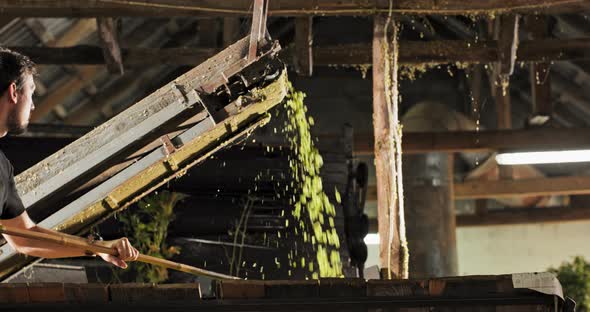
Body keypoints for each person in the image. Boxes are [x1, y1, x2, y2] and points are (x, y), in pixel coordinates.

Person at [0, 48, 139, 269]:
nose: (33, 105)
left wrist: (97, 248)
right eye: (31, 93)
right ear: (14, 92)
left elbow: (25, 237)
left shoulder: (2, 167)